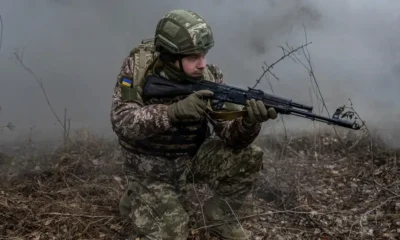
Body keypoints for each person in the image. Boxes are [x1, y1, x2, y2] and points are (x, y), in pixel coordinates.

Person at [110, 9, 277, 240]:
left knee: (250, 156)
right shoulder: (137, 68)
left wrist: (248, 122)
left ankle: (219, 215)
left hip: (191, 159)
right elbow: (122, 121)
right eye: (193, 57)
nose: (202, 64)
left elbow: (230, 138)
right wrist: (172, 112)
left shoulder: (209, 76)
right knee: (173, 233)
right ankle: (137, 194)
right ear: (170, 56)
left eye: (204, 55)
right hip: (150, 168)